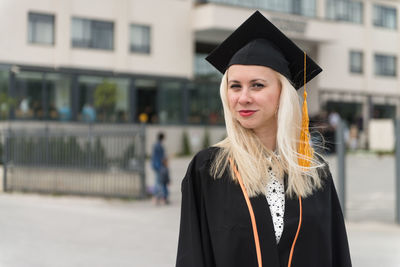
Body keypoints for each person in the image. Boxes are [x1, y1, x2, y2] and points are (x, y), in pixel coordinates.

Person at [176, 11, 351, 267]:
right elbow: (192, 256)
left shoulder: (314, 172)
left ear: (283, 93)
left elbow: (336, 255)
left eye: (257, 85)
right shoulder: (209, 169)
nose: (243, 97)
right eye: (235, 86)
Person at [151, 132, 166, 205]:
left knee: (157, 182)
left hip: (156, 165)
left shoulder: (155, 145)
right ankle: (160, 198)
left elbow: (153, 157)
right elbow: (162, 157)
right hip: (159, 166)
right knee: (159, 183)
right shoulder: (160, 146)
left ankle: (157, 198)